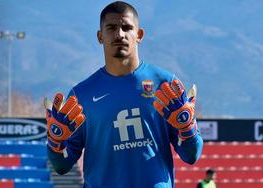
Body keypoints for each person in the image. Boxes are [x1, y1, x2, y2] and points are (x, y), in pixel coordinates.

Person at [44, 1, 203, 188]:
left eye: (126, 27)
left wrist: (187, 129)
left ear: (139, 35)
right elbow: (62, 166)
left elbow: (191, 155)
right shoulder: (80, 96)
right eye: (111, 28)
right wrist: (55, 143)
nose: (119, 34)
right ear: (100, 36)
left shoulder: (166, 85)